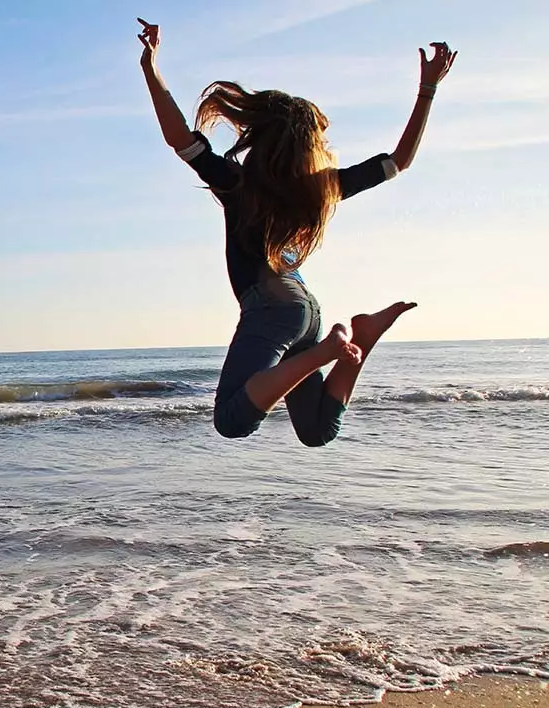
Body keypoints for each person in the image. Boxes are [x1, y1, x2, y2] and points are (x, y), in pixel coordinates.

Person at [137, 19, 456, 446]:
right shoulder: (324, 190)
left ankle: (329, 350)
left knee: (232, 421)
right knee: (318, 430)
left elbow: (180, 139)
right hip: (306, 312)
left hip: (274, 311)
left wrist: (150, 68)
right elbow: (400, 160)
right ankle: (361, 336)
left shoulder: (238, 185)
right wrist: (428, 89)